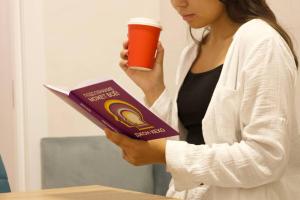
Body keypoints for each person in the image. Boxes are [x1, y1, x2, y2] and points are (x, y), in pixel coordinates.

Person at [104, 0, 300, 199]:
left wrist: (165, 154)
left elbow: (266, 159)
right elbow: (188, 143)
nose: (178, 3)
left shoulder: (262, 42)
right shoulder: (193, 52)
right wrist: (152, 87)